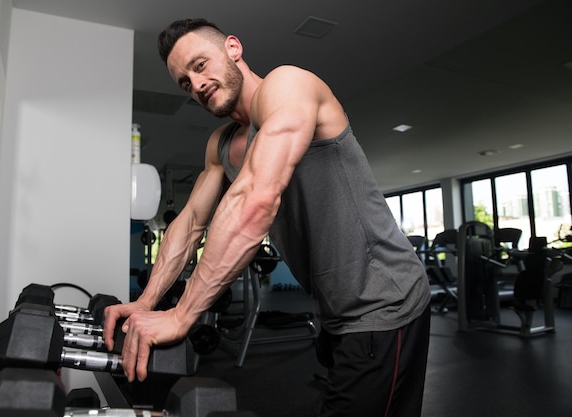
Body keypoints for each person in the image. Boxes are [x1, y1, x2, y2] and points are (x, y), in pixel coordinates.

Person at [104, 18, 431, 417]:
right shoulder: (221, 145)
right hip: (334, 309)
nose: (196, 84)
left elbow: (256, 200)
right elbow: (190, 223)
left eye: (200, 64)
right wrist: (147, 302)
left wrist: (181, 315)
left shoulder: (288, 86)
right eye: (185, 82)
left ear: (233, 49)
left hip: (383, 301)